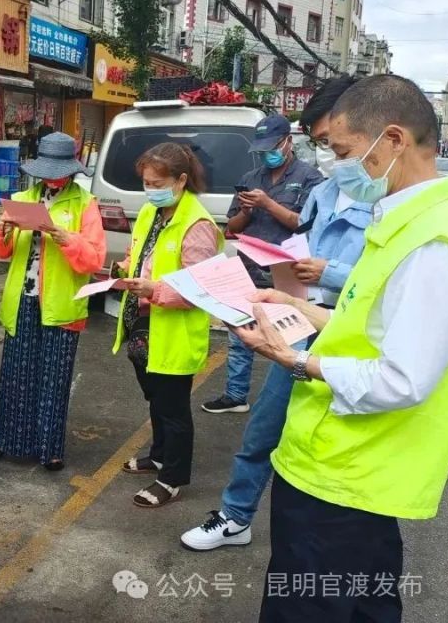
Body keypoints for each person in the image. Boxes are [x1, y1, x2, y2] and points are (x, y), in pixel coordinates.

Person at [231, 75, 448, 622]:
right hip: (345, 471)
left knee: (309, 608)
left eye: (344, 152)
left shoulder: (431, 243)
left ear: (394, 139)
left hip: (346, 476)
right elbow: (372, 324)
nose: (338, 168)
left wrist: (295, 359)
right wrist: (309, 312)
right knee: (362, 607)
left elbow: (403, 377)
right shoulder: (407, 223)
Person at [181, 75, 372, 551]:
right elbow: (294, 239)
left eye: (337, 145)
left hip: (350, 337)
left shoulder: (388, 202)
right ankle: (236, 517)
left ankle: (328, 540)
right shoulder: (326, 193)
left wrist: (326, 272)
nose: (331, 155)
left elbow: (383, 285)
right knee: (263, 429)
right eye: (325, 144)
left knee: (331, 452)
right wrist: (285, 260)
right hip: (299, 318)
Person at [0, 132, 106, 472]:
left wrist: (65, 238)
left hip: (62, 305)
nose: (52, 177)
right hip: (22, 301)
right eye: (46, 170)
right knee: (14, 375)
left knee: (54, 378)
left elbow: (93, 260)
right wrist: (4, 229)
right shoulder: (22, 197)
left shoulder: (84, 204)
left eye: (58, 170)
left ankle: (49, 447)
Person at [112, 143, 224, 508]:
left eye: (157, 182)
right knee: (155, 400)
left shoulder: (198, 225)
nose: (150, 189)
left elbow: (200, 287)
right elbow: (139, 254)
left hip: (173, 331)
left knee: (173, 409)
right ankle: (158, 456)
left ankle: (172, 477)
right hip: (143, 326)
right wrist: (122, 269)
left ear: (181, 180)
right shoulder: (151, 211)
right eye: (145, 182)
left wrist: (155, 290)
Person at [203, 113, 323, 414]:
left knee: (290, 342)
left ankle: (284, 402)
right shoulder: (249, 179)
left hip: (288, 277)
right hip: (250, 269)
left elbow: (304, 224)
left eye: (273, 147)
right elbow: (234, 226)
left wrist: (268, 204)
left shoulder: (310, 178)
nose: (267, 154)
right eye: (262, 150)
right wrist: (247, 210)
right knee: (240, 338)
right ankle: (235, 395)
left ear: (288, 142)